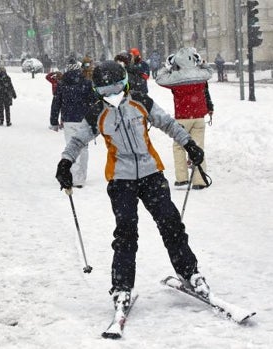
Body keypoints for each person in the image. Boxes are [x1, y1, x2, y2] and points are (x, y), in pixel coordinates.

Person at [55, 60, 209, 312]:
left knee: (171, 224)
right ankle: (122, 287)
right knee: (126, 234)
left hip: (151, 175)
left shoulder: (141, 102)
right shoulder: (96, 113)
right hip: (120, 180)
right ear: (97, 91)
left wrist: (189, 144)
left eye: (117, 88)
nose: (112, 95)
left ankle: (190, 273)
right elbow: (77, 140)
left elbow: (168, 123)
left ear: (125, 84)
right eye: (105, 91)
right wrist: (65, 162)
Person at [156, 47, 214, 190]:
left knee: (179, 146)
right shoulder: (200, 75)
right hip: (199, 116)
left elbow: (159, 78)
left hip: (182, 117)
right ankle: (199, 180)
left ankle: (182, 178)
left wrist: (167, 66)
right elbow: (210, 72)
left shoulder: (176, 77)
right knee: (198, 146)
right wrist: (201, 62)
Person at [50, 57, 96, 188]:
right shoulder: (86, 83)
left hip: (69, 119)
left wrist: (54, 121)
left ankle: (74, 176)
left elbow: (56, 103)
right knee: (84, 148)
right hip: (84, 119)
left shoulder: (62, 84)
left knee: (72, 147)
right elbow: (93, 101)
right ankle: (81, 177)